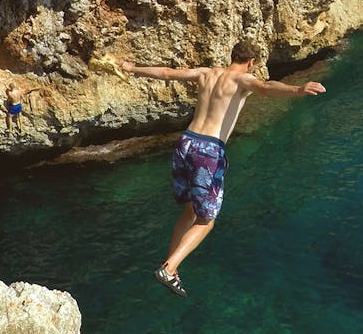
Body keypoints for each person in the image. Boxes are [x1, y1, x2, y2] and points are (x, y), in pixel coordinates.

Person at [121, 43, 326, 297]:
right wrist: (298, 89)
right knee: (207, 221)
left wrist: (132, 68)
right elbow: (265, 88)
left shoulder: (206, 73)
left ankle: (171, 269)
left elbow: (166, 72)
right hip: (208, 150)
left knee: (189, 211)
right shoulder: (242, 79)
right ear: (251, 61)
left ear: (233, 56)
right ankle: (170, 267)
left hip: (186, 142)